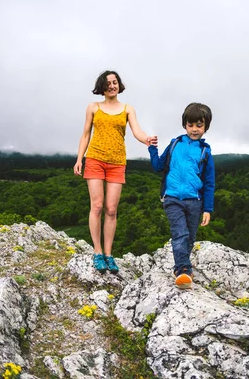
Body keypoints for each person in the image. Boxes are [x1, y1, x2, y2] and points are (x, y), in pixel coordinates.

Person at [74, 70, 157, 273]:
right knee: (97, 206)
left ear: (119, 85)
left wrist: (146, 139)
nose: (112, 85)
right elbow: (86, 134)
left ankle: (109, 255)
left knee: (111, 209)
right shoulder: (93, 107)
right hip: (94, 159)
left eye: (115, 82)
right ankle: (97, 252)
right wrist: (79, 159)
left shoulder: (128, 109)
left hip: (117, 162)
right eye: (108, 83)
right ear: (102, 87)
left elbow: (136, 129)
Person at [148, 102, 215, 289]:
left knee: (190, 238)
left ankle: (184, 265)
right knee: (180, 234)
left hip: (195, 202)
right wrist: (152, 149)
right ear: (185, 124)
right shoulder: (175, 144)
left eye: (199, 125)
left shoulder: (205, 152)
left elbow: (209, 183)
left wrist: (207, 209)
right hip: (172, 199)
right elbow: (158, 166)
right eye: (191, 124)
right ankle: (183, 270)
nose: (194, 129)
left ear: (206, 127)